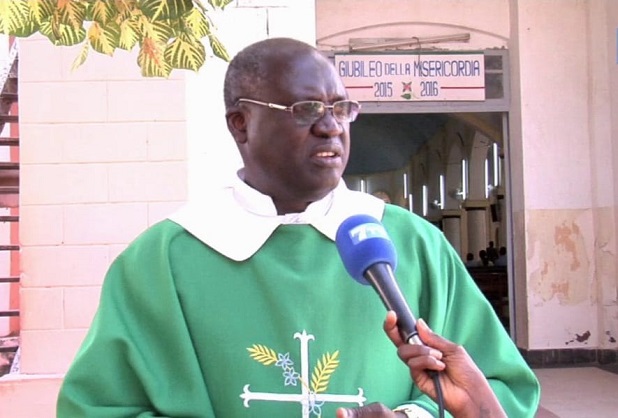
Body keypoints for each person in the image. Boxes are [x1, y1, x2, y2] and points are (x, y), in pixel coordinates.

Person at [56, 38, 539, 417]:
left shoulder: (413, 245)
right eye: (306, 110)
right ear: (240, 124)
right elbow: (98, 407)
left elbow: (502, 389)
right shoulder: (161, 261)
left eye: (341, 108)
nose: (331, 126)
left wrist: (413, 416)